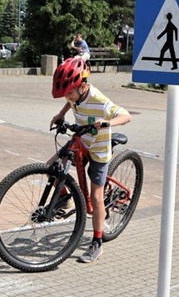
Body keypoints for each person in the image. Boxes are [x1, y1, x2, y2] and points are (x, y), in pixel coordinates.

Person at [49, 56, 131, 264]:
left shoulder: (99, 100)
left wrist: (108, 123)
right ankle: (64, 199)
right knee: (53, 165)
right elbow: (70, 103)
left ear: (83, 85)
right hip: (82, 140)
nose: (67, 96)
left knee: (96, 197)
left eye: (69, 92)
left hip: (99, 149)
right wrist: (60, 114)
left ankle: (97, 242)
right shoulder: (74, 95)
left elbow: (126, 116)